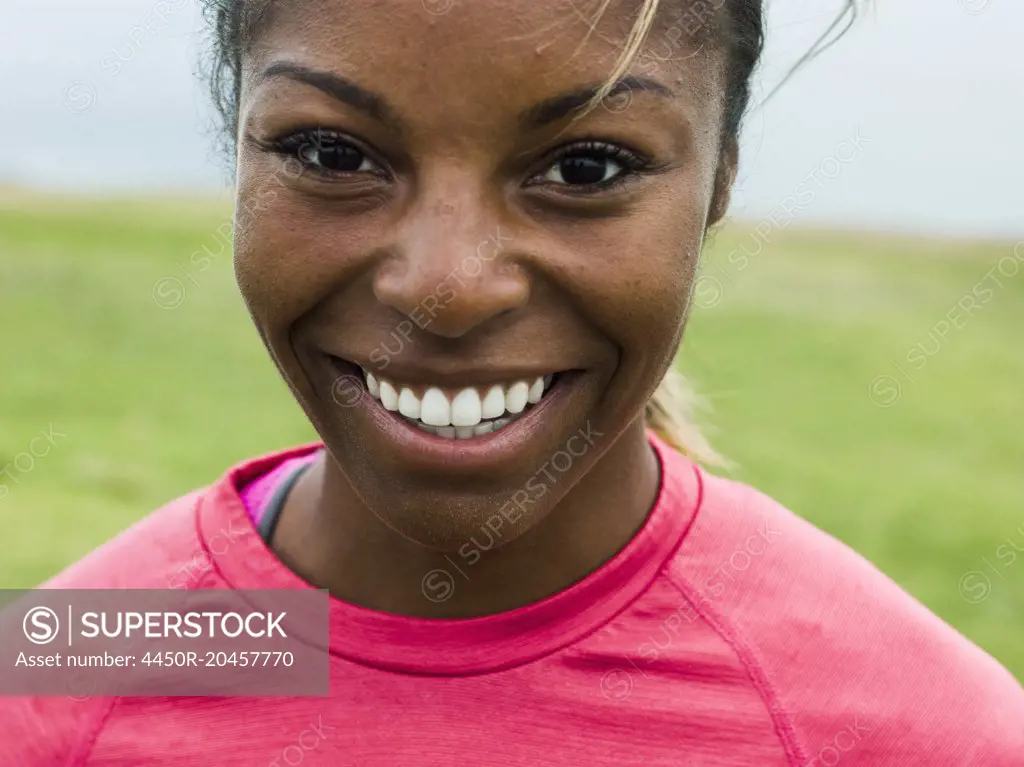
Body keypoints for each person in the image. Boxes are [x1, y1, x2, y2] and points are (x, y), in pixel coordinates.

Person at [3, 0, 1022, 763]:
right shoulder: (72, 665)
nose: (446, 290)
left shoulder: (916, 728)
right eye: (329, 152)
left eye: (584, 169)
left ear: (718, 180)